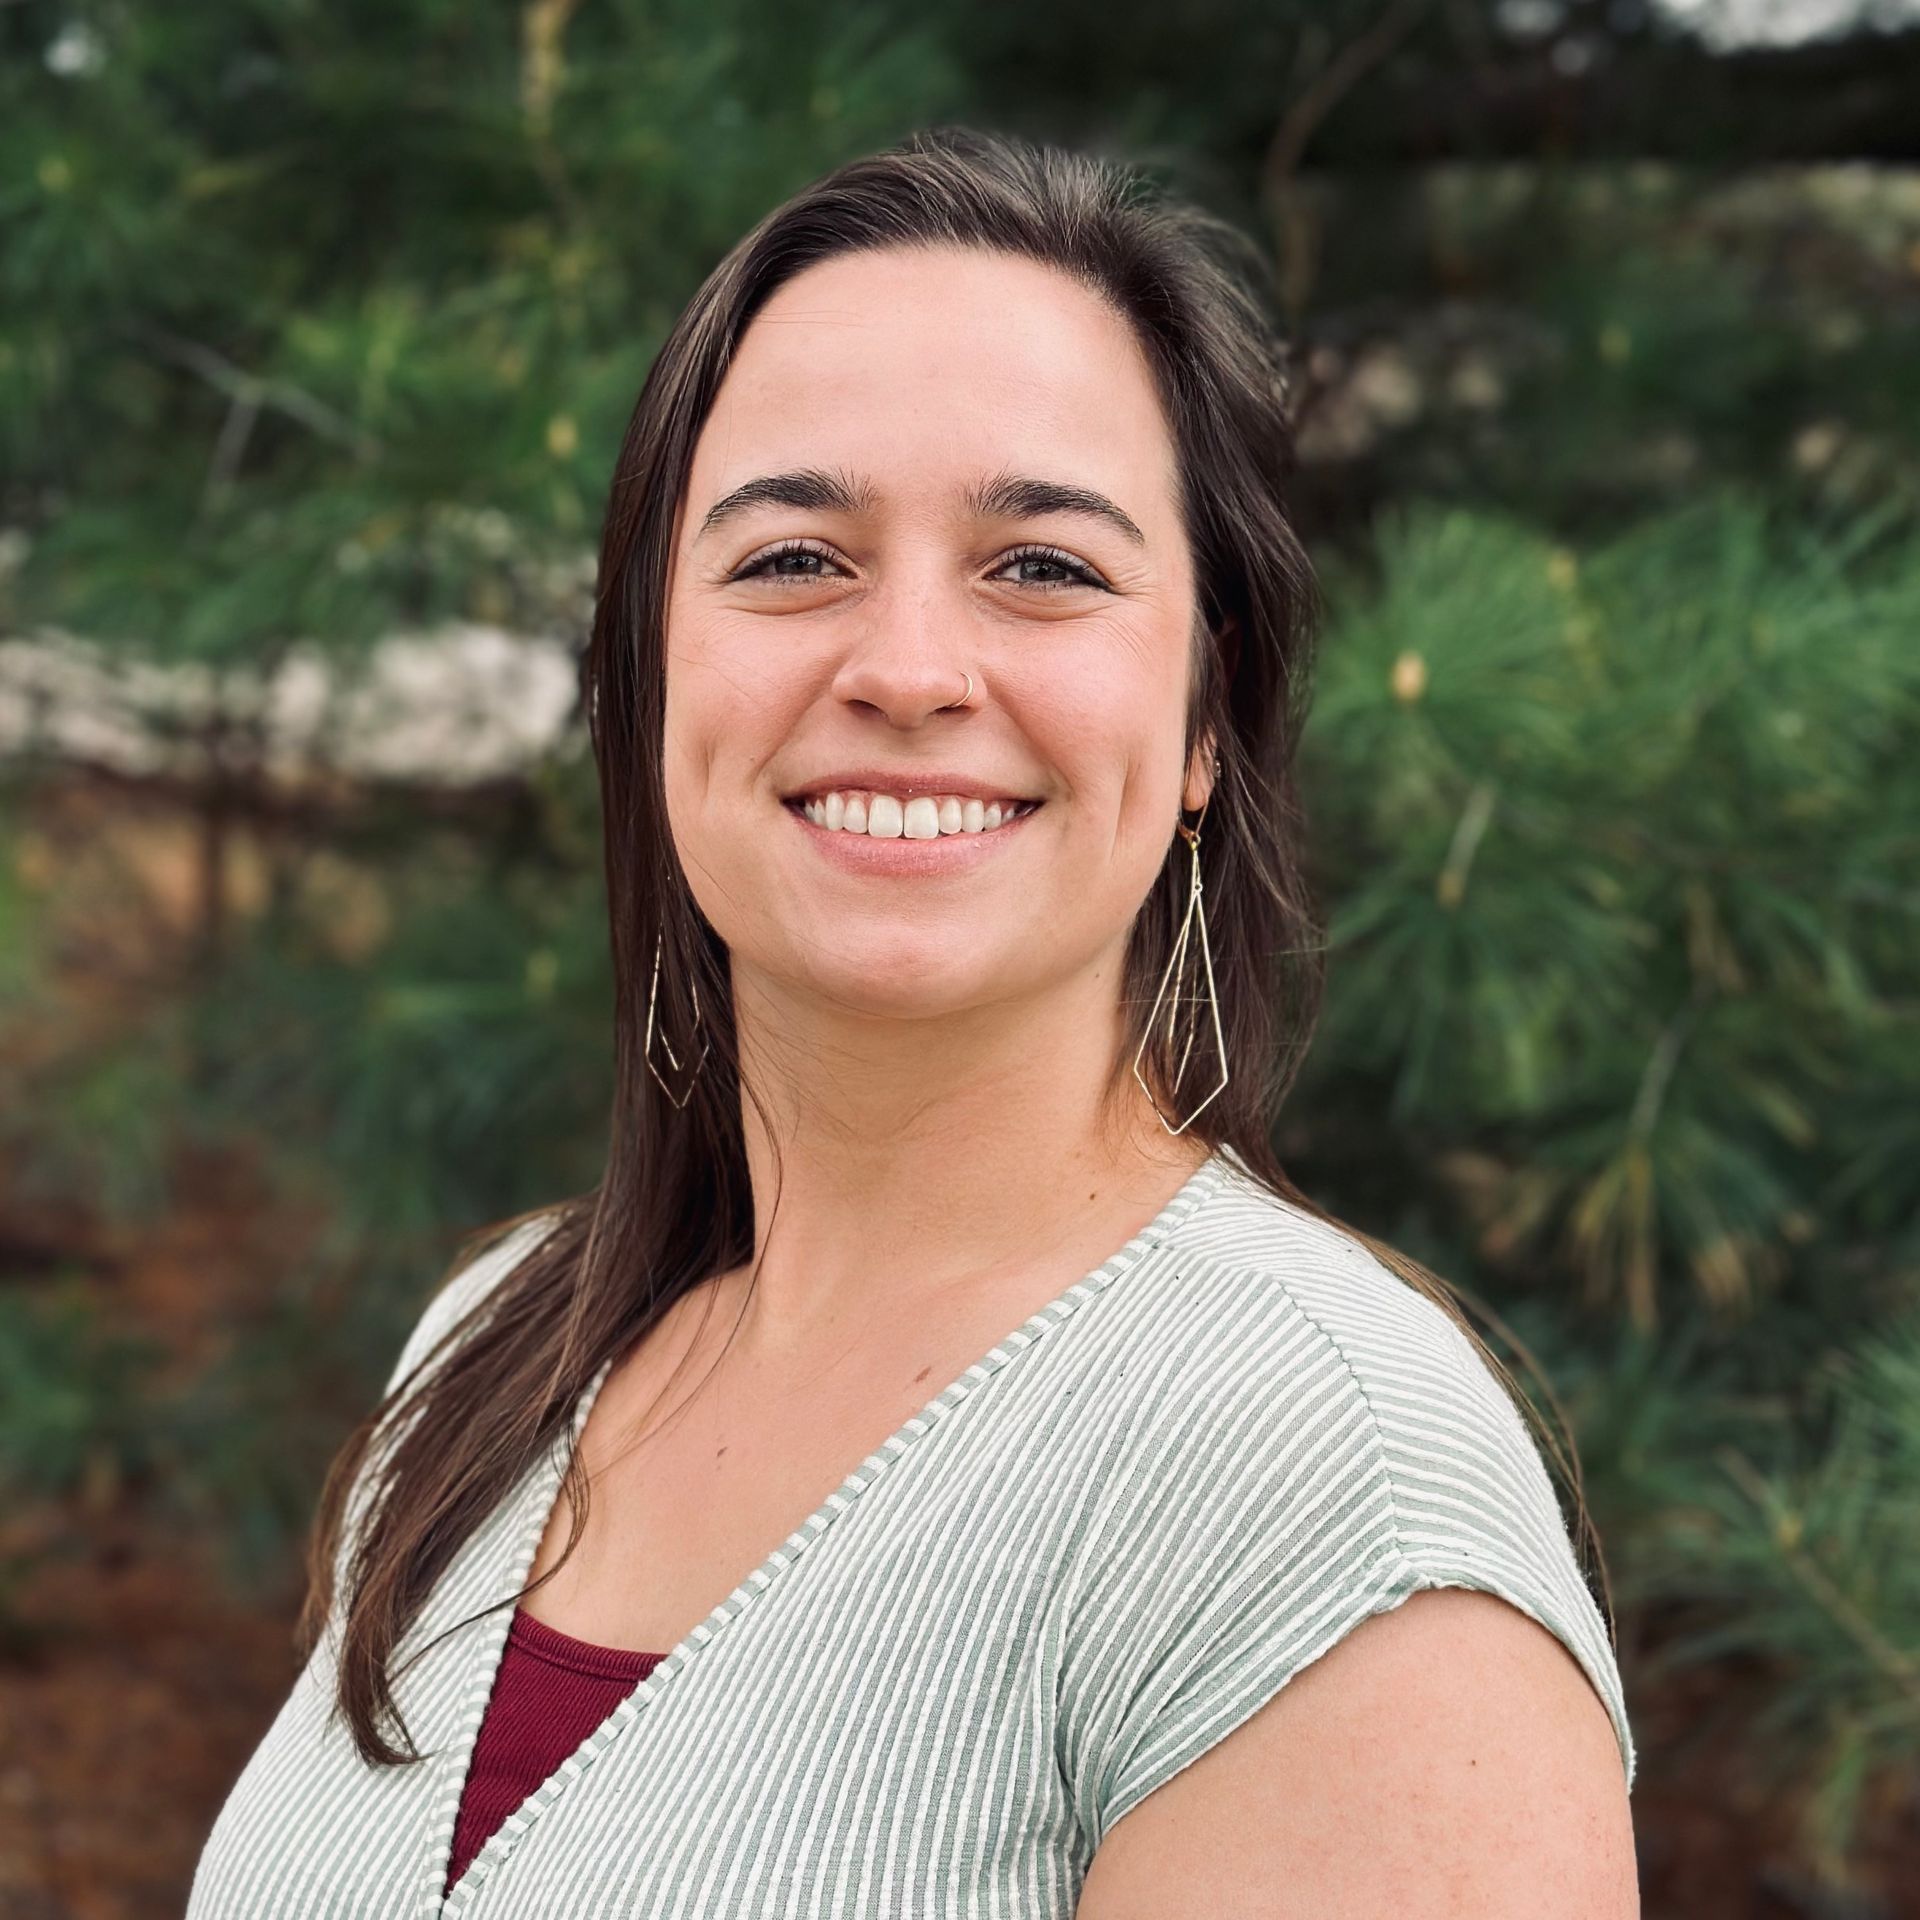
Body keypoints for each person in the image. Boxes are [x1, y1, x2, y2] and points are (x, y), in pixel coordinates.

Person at [187, 125, 1638, 1918]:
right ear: (652, 675)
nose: (907, 668)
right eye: (794, 557)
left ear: (1206, 721)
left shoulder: (1320, 1487)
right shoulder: (489, 1351)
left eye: (1044, 567)